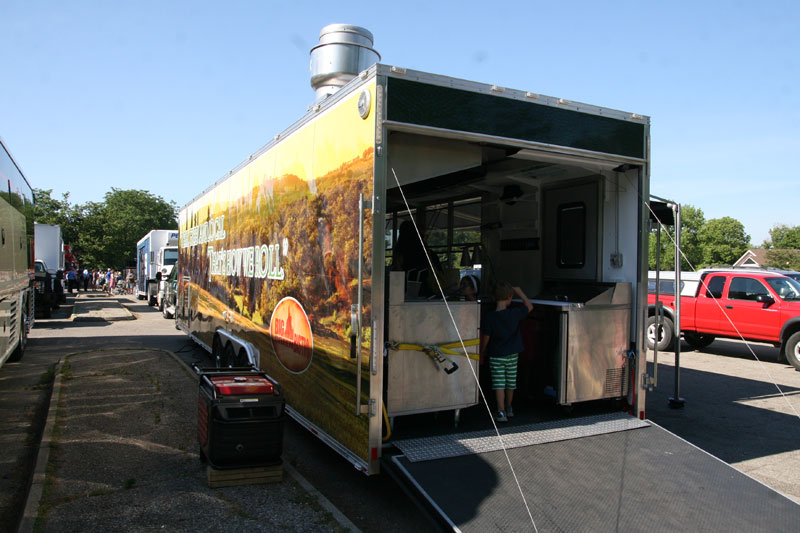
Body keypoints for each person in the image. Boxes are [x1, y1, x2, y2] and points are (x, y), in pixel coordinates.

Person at [480, 282, 533, 422]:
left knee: (499, 384)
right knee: (511, 383)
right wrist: (520, 292)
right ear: (510, 297)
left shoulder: (490, 317)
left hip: (496, 354)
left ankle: (501, 411)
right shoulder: (515, 313)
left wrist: (482, 351)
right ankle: (509, 407)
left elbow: (486, 337)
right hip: (513, 354)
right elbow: (529, 306)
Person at [391, 220, 442, 296]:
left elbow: (397, 274)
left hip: (403, 295)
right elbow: (439, 272)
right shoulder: (429, 254)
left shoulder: (400, 253)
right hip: (428, 294)